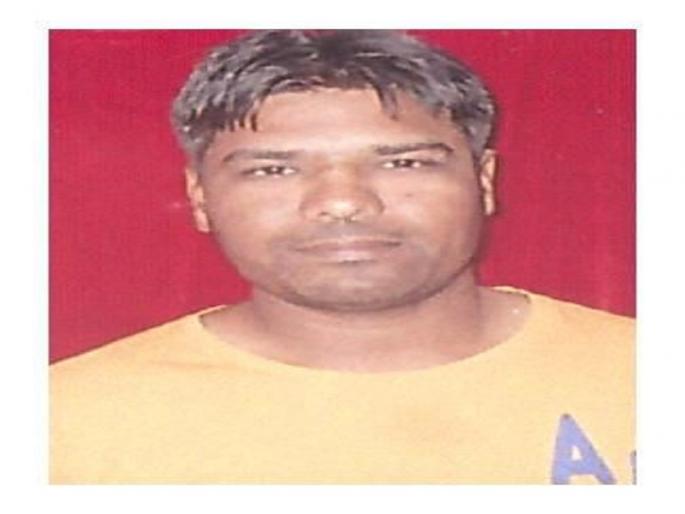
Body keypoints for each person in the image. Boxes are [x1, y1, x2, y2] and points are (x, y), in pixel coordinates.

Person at [50, 29, 634, 484]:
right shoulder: (61, 425)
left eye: (403, 163)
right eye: (273, 170)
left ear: (483, 181)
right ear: (200, 197)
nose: (342, 202)